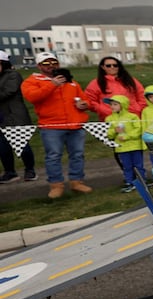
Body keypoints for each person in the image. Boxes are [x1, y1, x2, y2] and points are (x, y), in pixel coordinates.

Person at [20, 53, 92, 198]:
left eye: (54, 62)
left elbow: (84, 98)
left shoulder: (70, 81)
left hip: (75, 124)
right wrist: (52, 84)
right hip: (51, 126)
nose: (51, 65)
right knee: (53, 156)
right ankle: (56, 185)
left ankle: (76, 182)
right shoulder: (32, 81)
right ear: (39, 66)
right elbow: (33, 97)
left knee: (77, 155)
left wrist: (84, 105)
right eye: (46, 63)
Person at [0, 53, 37, 182]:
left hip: (14, 116)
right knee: (3, 148)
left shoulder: (13, 75)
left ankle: (30, 170)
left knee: (22, 145)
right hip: (1, 117)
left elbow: (8, 92)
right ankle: (10, 172)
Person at [103, 95, 146, 192]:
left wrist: (127, 136)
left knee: (138, 165)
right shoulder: (109, 119)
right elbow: (108, 134)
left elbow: (138, 129)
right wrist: (115, 130)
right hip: (121, 148)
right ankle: (130, 182)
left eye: (115, 104)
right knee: (127, 166)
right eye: (111, 104)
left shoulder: (132, 116)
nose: (112, 106)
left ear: (123, 105)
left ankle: (142, 181)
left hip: (135, 146)